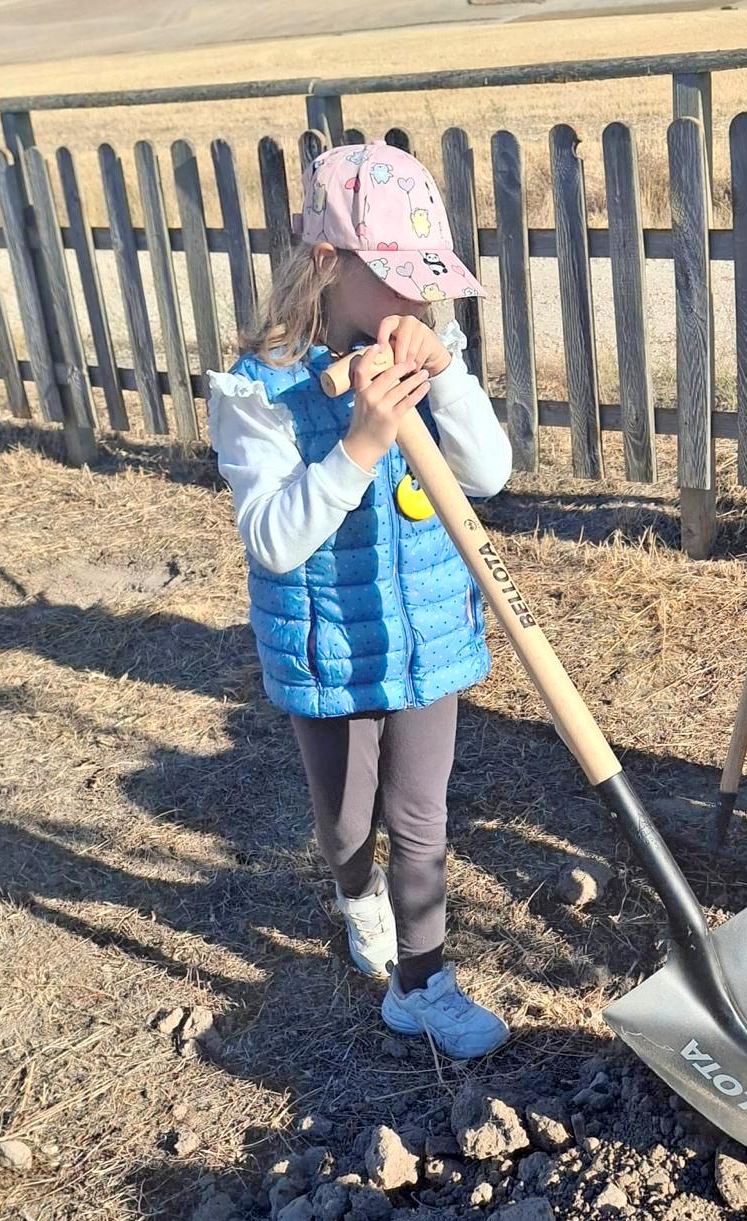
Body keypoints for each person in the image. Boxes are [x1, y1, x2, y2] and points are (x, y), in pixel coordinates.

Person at [206, 141, 512, 1058]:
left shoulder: (427, 359)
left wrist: (447, 378)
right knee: (348, 821)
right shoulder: (259, 393)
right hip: (329, 647)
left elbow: (489, 474)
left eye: (428, 285)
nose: (417, 306)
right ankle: (355, 895)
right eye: (400, 282)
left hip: (424, 639)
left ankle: (423, 984)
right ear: (329, 266)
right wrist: (362, 446)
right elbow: (270, 538)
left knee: (422, 818)